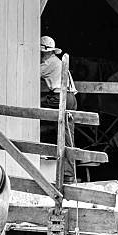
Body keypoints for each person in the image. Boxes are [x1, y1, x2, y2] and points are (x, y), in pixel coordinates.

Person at [40, 35, 77, 183]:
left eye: (43, 52)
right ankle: (68, 173)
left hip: (61, 97)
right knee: (68, 134)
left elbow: (31, 72)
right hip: (70, 97)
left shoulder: (49, 64)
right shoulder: (58, 62)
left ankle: (40, 147)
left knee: (35, 106)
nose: (42, 55)